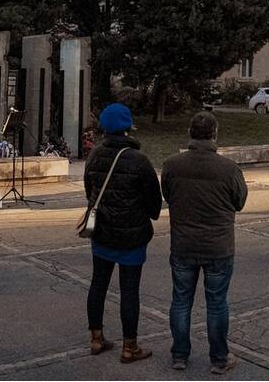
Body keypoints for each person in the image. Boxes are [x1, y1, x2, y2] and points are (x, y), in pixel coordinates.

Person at [161, 111, 248, 374]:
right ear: (215, 134)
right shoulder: (229, 168)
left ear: (190, 133)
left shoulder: (172, 165)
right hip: (218, 246)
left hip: (183, 244)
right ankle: (219, 359)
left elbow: (168, 195)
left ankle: (179, 355)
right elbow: (240, 202)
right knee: (217, 302)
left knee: (181, 300)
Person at [84, 103, 162, 363]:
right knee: (129, 290)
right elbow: (154, 203)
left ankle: (96, 338)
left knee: (98, 284)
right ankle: (130, 346)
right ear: (128, 127)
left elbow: (89, 192)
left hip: (102, 232)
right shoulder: (139, 160)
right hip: (132, 236)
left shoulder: (94, 155)